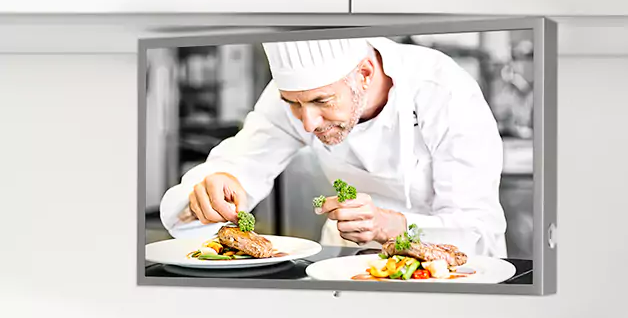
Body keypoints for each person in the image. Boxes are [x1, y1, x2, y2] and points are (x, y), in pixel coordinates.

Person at [159, 37, 507, 256]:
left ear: (365, 74)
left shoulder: (442, 91)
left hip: (452, 277)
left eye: (322, 101)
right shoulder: (296, 95)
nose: (307, 123)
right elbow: (240, 164)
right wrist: (215, 189)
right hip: (345, 267)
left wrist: (388, 225)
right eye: (294, 104)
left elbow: (477, 229)